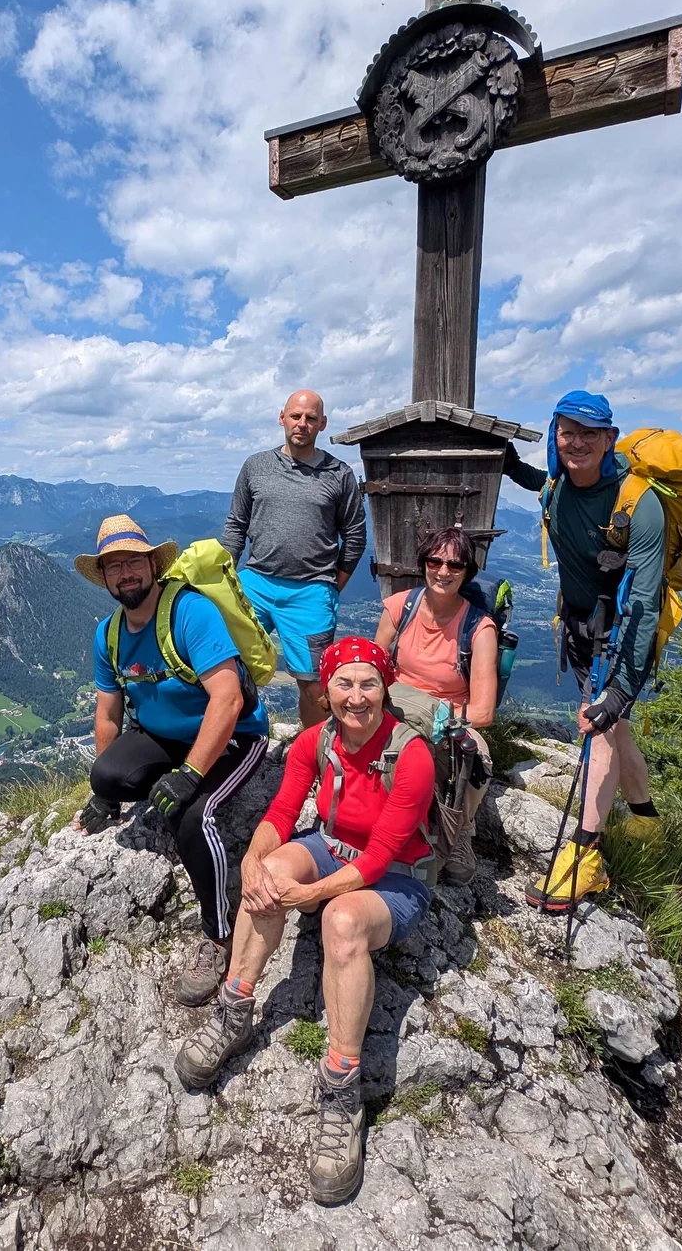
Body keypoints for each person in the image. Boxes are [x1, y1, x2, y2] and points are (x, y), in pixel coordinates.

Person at [173, 637, 435, 1207]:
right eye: (344, 684)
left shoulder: (409, 755)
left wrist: (310, 894)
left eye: (369, 684)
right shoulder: (316, 743)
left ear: (386, 688)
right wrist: (255, 862)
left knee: (341, 920)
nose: (356, 697)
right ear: (326, 691)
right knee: (268, 874)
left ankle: (342, 1087)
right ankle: (235, 1009)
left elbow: (380, 859)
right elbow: (282, 812)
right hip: (332, 846)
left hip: (398, 880)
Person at [74, 515, 272, 1007]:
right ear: (105, 578)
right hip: (164, 737)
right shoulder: (110, 634)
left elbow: (226, 701)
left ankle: (217, 934)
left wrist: (190, 776)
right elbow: (108, 713)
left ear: (152, 564)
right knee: (108, 774)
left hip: (233, 739)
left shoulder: (190, 613)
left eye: (132, 562)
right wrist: (105, 797)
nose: (125, 574)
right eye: (114, 567)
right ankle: (146, 784)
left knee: (191, 818)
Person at [526, 390, 664, 914]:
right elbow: (535, 480)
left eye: (590, 433)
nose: (576, 442)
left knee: (603, 723)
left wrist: (621, 687)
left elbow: (646, 603)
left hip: (625, 637)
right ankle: (647, 820)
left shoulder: (638, 502)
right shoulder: (557, 485)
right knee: (617, 727)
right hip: (581, 629)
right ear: (555, 436)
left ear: (610, 438)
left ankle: (587, 857)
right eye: (567, 432)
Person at [221, 390, 368, 729]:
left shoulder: (339, 474)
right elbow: (235, 527)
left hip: (311, 591)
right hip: (254, 582)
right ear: (281, 417)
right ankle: (229, 744)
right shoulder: (256, 466)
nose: (302, 424)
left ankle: (313, 754)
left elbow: (355, 537)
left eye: (311, 418)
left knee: (314, 686)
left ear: (322, 424)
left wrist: (330, 586)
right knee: (225, 668)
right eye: (296, 416)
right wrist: (224, 579)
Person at [373, 523, 499, 883]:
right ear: (424, 563)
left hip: (449, 718)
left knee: (474, 754)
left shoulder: (479, 628)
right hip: (396, 708)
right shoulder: (400, 607)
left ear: (466, 572)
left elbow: (484, 712)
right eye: (435, 561)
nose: (443, 571)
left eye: (455, 565)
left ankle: (457, 829)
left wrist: (435, 717)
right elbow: (373, 670)